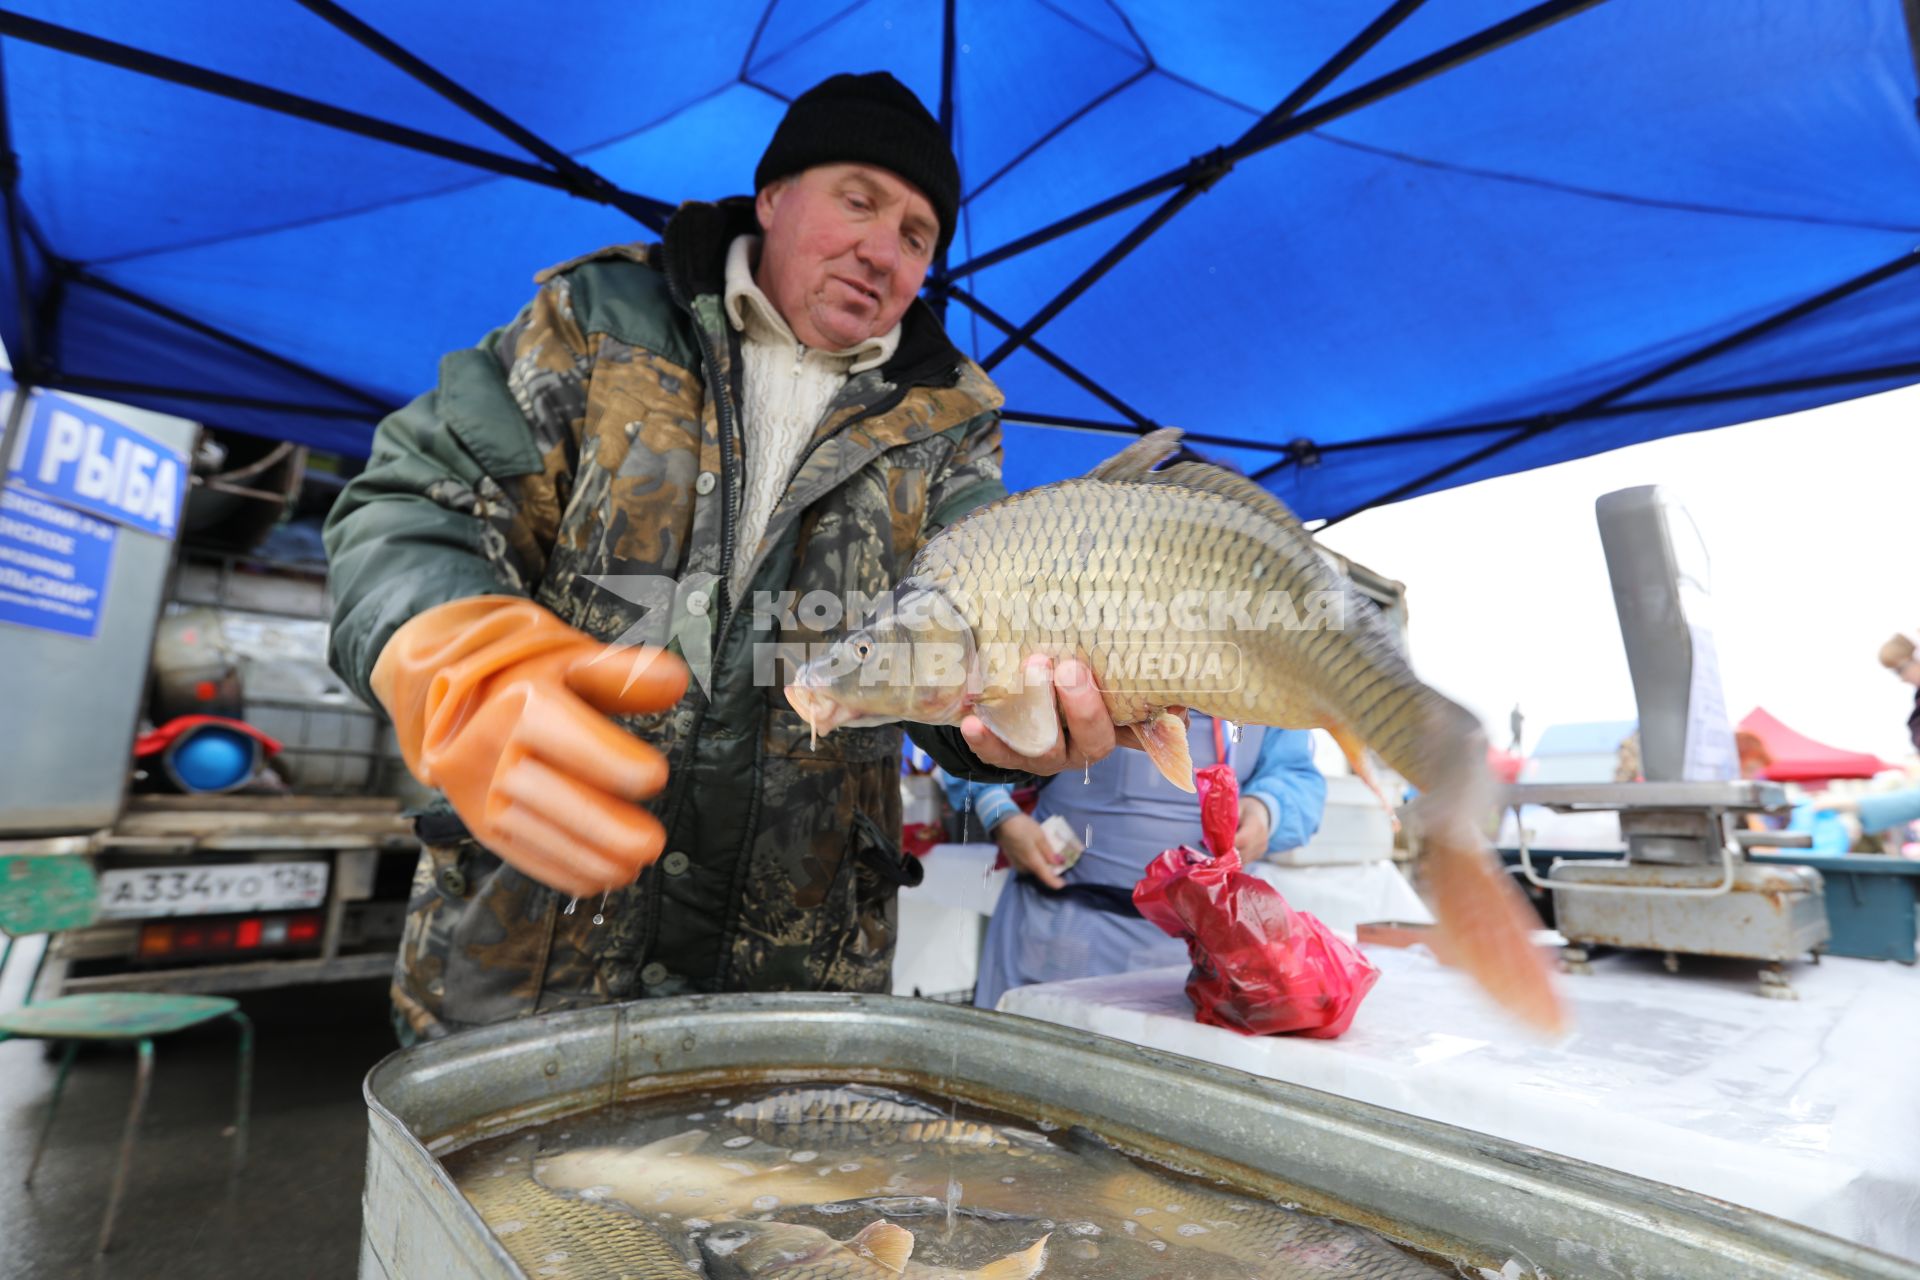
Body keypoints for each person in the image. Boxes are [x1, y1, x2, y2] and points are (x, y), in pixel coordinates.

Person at [323, 72, 1125, 1042]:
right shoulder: (599, 317)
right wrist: (452, 653)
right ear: (775, 197)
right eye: (859, 199)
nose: (884, 247)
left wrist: (1003, 722)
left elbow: (976, 621)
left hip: (798, 974)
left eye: (918, 235)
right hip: (529, 946)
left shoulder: (952, 421)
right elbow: (423, 494)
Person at [942, 717, 1327, 1009]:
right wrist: (999, 814)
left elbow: (1297, 776)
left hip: (1195, 952)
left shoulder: (1256, 652)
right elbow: (975, 732)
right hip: (1057, 930)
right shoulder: (1090, 624)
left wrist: (1267, 811)